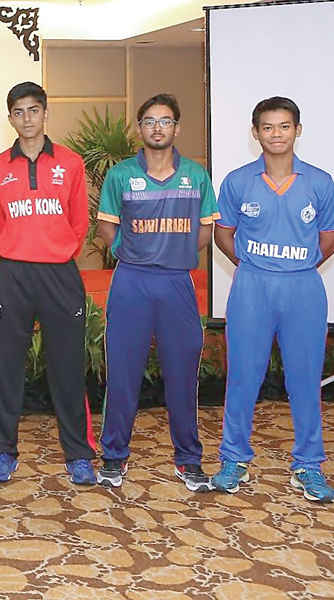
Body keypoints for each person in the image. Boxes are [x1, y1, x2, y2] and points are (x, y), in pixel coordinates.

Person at [212, 96, 334, 503]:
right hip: (252, 287)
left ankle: (308, 464)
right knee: (243, 377)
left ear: (297, 130)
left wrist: (296, 266)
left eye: (284, 126)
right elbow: (223, 233)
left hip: (303, 289)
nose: (276, 134)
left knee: (304, 380)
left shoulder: (319, 182)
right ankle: (234, 458)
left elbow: (330, 238)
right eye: (267, 127)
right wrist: (251, 265)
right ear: (255, 134)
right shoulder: (237, 181)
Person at [95, 94, 218, 492]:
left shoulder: (196, 176)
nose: (157, 128)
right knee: (123, 375)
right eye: (149, 121)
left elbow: (205, 230)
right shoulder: (120, 175)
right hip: (131, 282)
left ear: (176, 128)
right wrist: (131, 254)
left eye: (165, 121)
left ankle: (188, 460)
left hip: (177, 284)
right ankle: (114, 457)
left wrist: (175, 253)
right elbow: (107, 230)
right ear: (140, 128)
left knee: (183, 377)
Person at [0, 81, 97, 485]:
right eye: (19, 112)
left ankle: (79, 455)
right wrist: (19, 249)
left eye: (34, 110)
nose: (27, 119)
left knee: (67, 365)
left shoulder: (71, 163)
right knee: (7, 365)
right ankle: (1, 453)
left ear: (45, 114)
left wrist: (55, 249)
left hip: (59, 274)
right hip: (13, 273)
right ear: (10, 117)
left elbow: (79, 222)